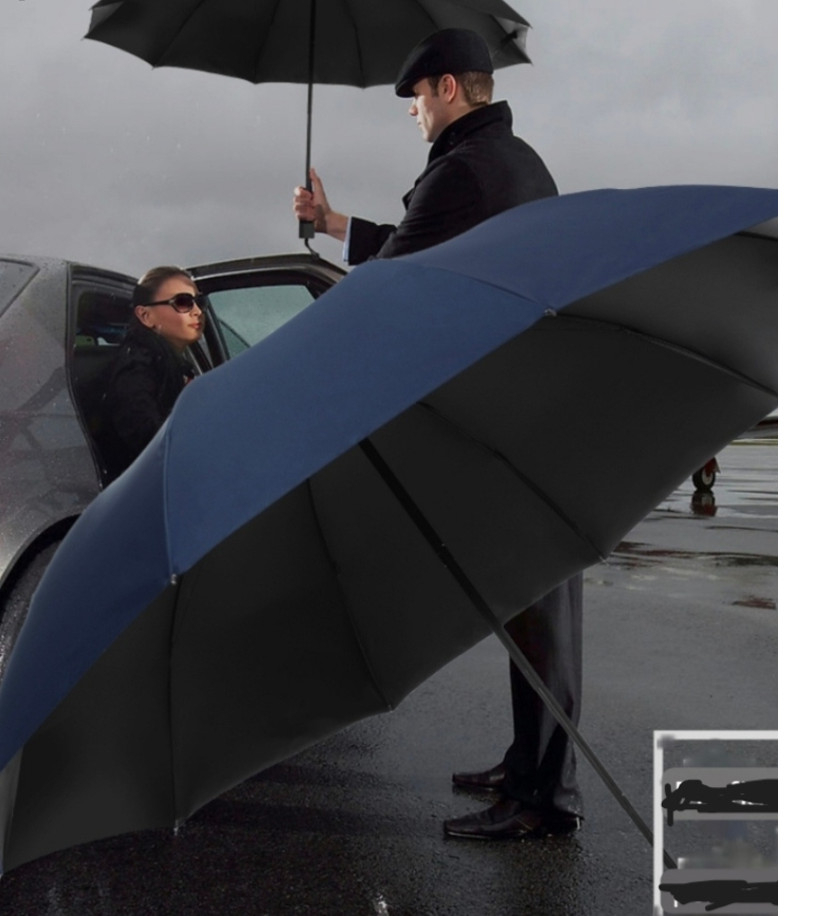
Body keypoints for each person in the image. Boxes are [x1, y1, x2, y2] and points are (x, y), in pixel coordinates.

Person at [294, 28, 583, 840]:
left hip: (512, 418)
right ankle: (528, 765)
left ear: (448, 88)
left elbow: (398, 273)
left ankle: (544, 798)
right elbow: (412, 245)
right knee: (535, 606)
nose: (413, 112)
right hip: (533, 409)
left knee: (540, 613)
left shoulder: (465, 170)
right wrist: (333, 221)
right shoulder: (510, 160)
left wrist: (315, 339)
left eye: (418, 97)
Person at [102, 266, 207, 481]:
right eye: (183, 302)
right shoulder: (136, 370)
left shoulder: (169, 363)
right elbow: (152, 446)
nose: (197, 311)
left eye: (199, 302)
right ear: (145, 315)